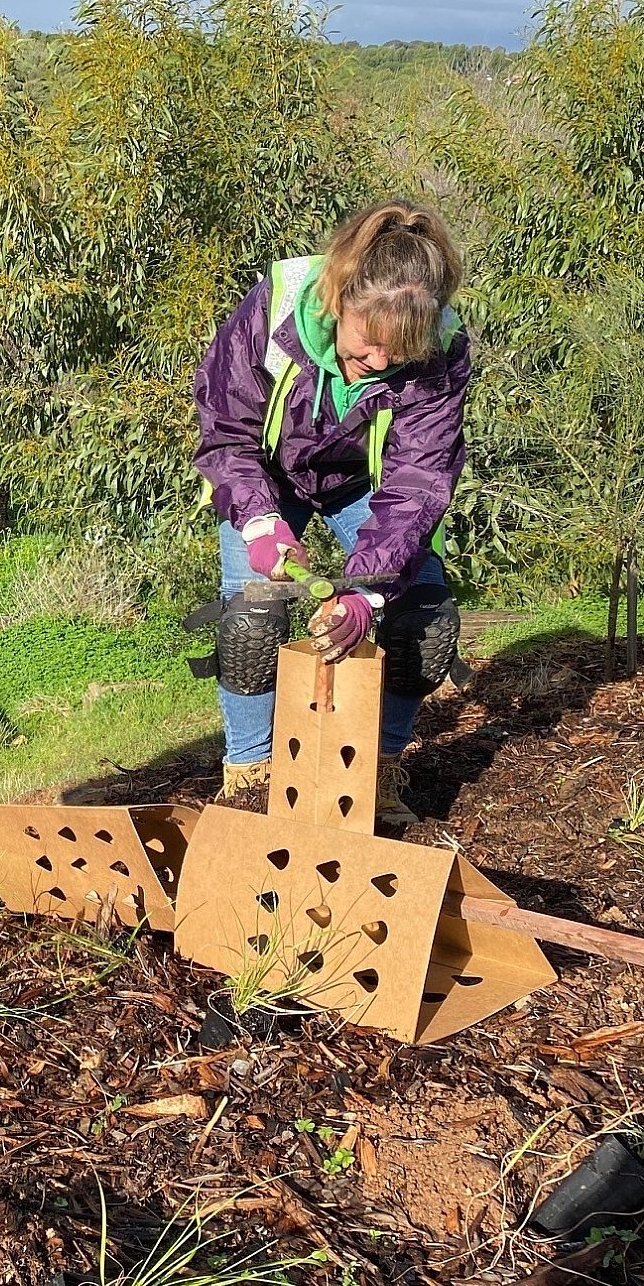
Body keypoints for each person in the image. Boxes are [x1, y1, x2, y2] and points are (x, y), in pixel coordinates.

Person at [192, 200, 469, 826]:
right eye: (368, 344)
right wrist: (262, 525)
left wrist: (366, 596)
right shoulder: (277, 306)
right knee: (250, 616)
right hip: (265, 473)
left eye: (395, 356)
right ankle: (249, 775)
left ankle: (381, 769)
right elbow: (225, 431)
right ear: (340, 298)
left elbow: (419, 480)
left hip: (365, 483)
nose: (376, 364)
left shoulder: (443, 348)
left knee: (422, 618)